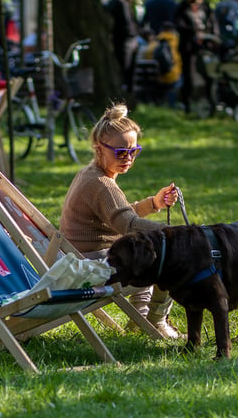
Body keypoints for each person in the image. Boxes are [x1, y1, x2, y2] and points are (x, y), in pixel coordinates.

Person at [59, 103, 182, 339]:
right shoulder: (102, 184)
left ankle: (140, 318)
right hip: (90, 267)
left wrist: (154, 203)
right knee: (168, 260)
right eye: (120, 152)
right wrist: (174, 232)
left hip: (79, 259)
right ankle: (154, 322)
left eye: (134, 151)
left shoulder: (92, 174)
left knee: (147, 252)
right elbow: (127, 224)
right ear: (99, 149)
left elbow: (117, 214)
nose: (128, 158)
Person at [175, 0, 218, 114]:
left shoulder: (206, 7)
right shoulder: (182, 7)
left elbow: (213, 24)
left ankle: (210, 104)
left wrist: (212, 38)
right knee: (189, 76)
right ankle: (187, 104)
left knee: (210, 75)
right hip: (189, 47)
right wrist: (194, 33)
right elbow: (179, 25)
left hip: (206, 47)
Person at [105, 0, 139, 93]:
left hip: (129, 39)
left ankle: (128, 92)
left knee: (129, 69)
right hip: (123, 40)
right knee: (125, 68)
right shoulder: (117, 3)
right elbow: (126, 23)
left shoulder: (125, 2)